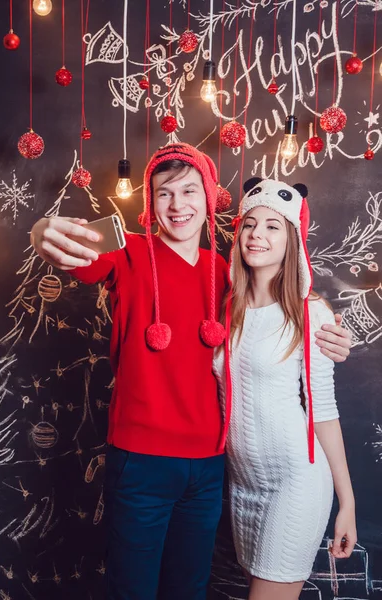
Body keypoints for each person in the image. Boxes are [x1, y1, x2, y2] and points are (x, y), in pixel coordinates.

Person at [30, 145, 352, 600]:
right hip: (141, 460)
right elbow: (68, 252)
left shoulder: (227, 274)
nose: (178, 205)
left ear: (209, 196)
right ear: (151, 203)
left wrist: (332, 332)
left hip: (209, 467)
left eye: (188, 190)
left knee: (189, 588)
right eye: (164, 194)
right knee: (133, 589)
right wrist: (42, 231)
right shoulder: (128, 254)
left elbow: (282, 310)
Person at [213, 177, 357, 600]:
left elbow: (324, 411)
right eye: (249, 225)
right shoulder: (225, 309)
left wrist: (346, 502)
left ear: (292, 238)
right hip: (242, 483)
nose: (257, 234)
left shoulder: (311, 312)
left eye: (273, 227)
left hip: (296, 481)